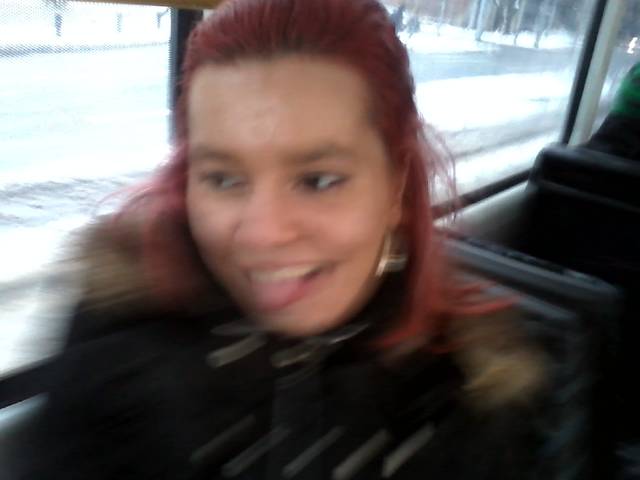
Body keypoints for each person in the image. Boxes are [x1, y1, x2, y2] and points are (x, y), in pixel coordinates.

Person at [21, 0, 583, 478]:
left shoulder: (478, 394)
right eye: (224, 179)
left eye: (318, 180)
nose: (263, 234)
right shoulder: (117, 339)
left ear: (394, 189)